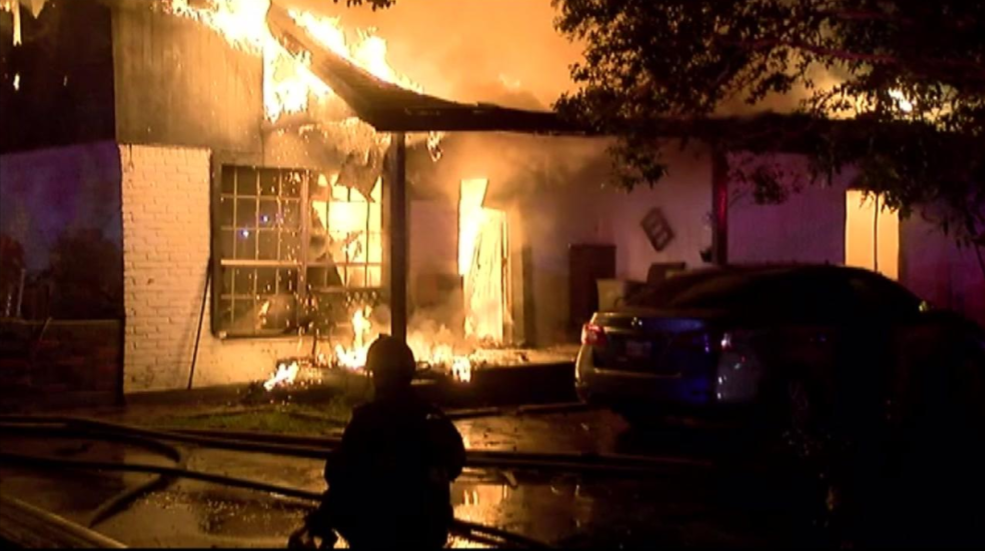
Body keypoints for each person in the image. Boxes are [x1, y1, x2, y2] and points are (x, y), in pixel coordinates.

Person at [291, 335, 466, 549]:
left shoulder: (368, 421)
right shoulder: (432, 417)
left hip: (381, 533)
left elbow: (340, 474)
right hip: (428, 532)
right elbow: (456, 462)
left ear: (378, 376)